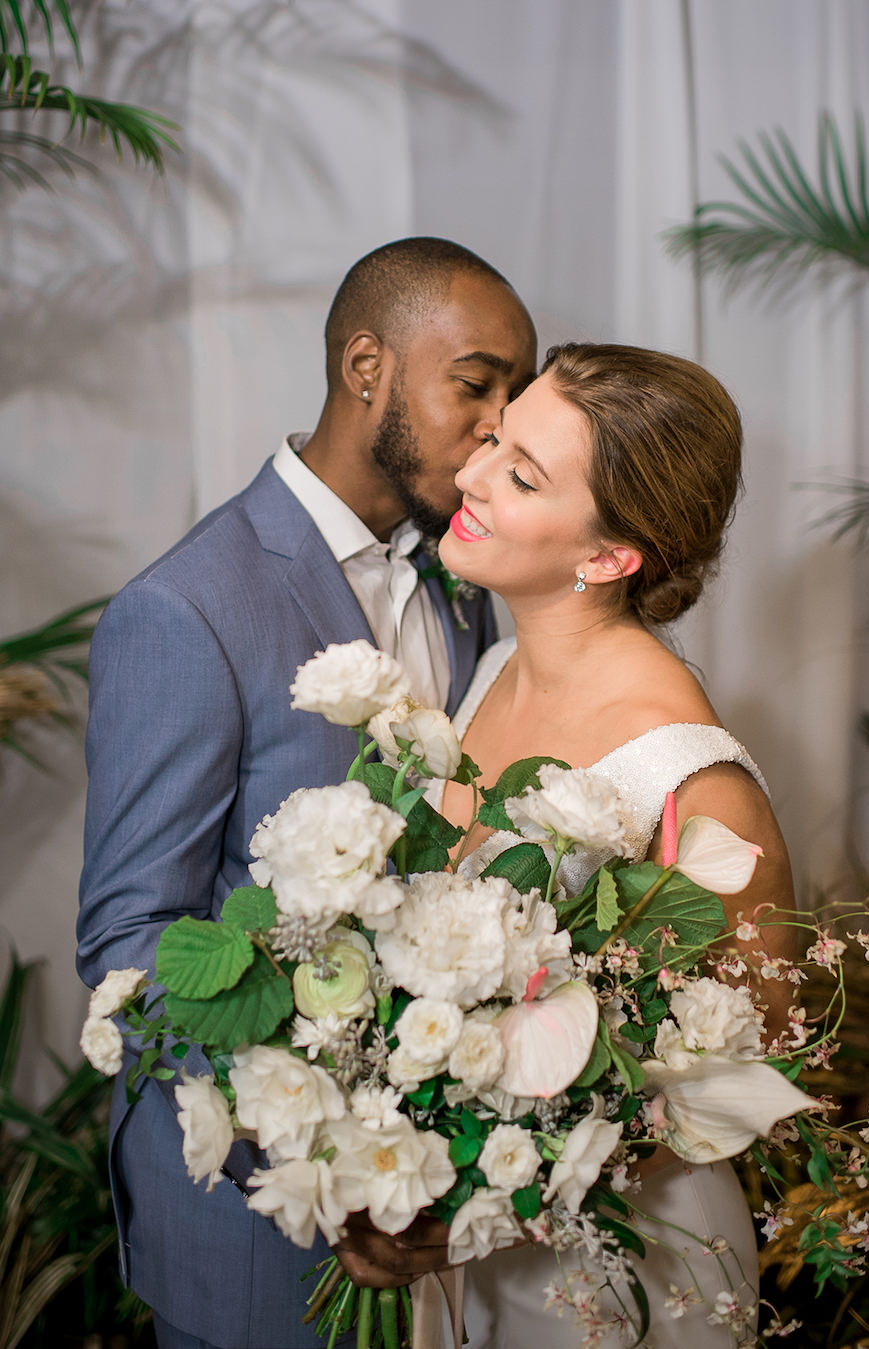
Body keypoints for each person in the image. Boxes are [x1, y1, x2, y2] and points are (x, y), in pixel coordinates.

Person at [76, 236, 537, 1349]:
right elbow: (133, 943)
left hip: (427, 1195)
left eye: (517, 394)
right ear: (365, 366)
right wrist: (316, 1158)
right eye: (475, 384)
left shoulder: (460, 581)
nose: (501, 423)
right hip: (254, 1237)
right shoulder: (186, 608)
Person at [432, 343, 796, 1348]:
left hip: (622, 1271)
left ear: (608, 556)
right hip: (470, 1253)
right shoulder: (497, 663)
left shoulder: (687, 770)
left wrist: (504, 1170)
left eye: (520, 473)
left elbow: (758, 1055)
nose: (470, 474)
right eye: (496, 440)